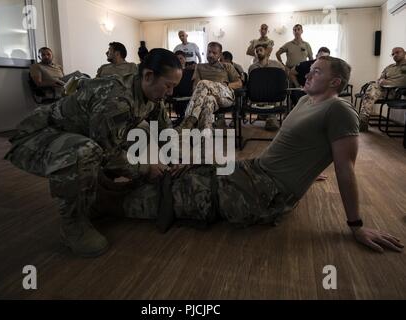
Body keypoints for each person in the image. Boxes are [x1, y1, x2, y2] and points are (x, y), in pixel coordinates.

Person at [108, 56, 403, 255]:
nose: (307, 73)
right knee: (185, 169)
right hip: (253, 171)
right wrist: (308, 171)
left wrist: (357, 226)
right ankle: (125, 182)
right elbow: (301, 145)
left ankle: (104, 200)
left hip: (263, 192)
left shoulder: (339, 110)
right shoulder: (304, 102)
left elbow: (346, 168)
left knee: (173, 193)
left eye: (317, 71)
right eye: (310, 69)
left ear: (336, 82)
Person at [5, 49, 183, 258]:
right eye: (168, 86)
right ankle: (74, 224)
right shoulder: (116, 98)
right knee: (86, 152)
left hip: (77, 134)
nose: (170, 93)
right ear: (148, 76)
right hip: (38, 136)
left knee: (140, 133)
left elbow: (164, 130)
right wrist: (146, 169)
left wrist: (175, 160)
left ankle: (99, 195)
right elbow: (108, 154)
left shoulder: (151, 94)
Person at [179, 42, 242, 130]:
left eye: (214, 53)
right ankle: (205, 134)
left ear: (220, 54)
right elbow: (195, 87)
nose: (210, 55)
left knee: (203, 83)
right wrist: (203, 95)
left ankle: (188, 121)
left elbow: (239, 83)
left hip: (225, 96)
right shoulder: (200, 67)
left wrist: (226, 85)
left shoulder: (227, 66)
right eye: (209, 52)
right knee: (208, 101)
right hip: (208, 97)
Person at [359, 47, 406, 132]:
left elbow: (402, 82)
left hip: (395, 92)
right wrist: (381, 82)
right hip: (382, 90)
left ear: (404, 53)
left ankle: (362, 120)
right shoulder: (389, 67)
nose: (395, 55)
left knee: (372, 90)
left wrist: (387, 82)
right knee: (372, 88)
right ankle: (363, 120)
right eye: (393, 54)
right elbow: (380, 80)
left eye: (397, 52)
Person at [247, 43, 285, 131]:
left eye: (261, 50)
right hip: (259, 93)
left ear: (266, 52)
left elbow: (282, 78)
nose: (259, 52)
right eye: (257, 51)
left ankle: (270, 117)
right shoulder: (252, 67)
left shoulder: (277, 64)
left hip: (273, 92)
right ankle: (268, 116)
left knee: (274, 91)